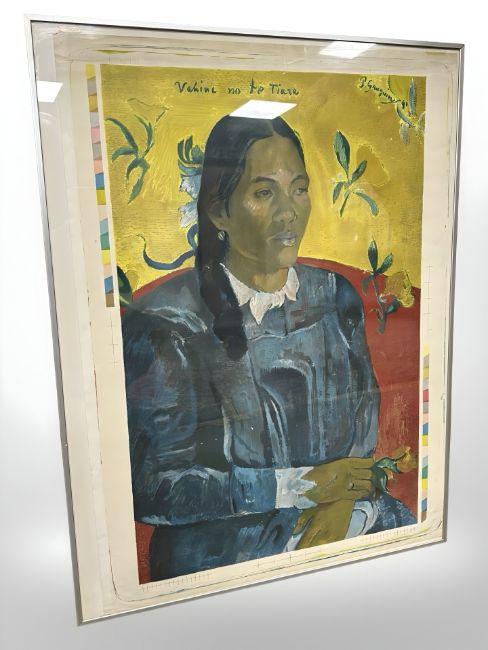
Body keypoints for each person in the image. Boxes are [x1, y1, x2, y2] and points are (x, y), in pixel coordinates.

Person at [122, 114, 415, 581]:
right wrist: (303, 487)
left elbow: (362, 434)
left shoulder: (334, 297)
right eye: (264, 193)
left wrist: (338, 505)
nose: (288, 212)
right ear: (219, 212)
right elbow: (154, 488)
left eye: (298, 189)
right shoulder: (164, 325)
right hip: (223, 561)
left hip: (344, 525)